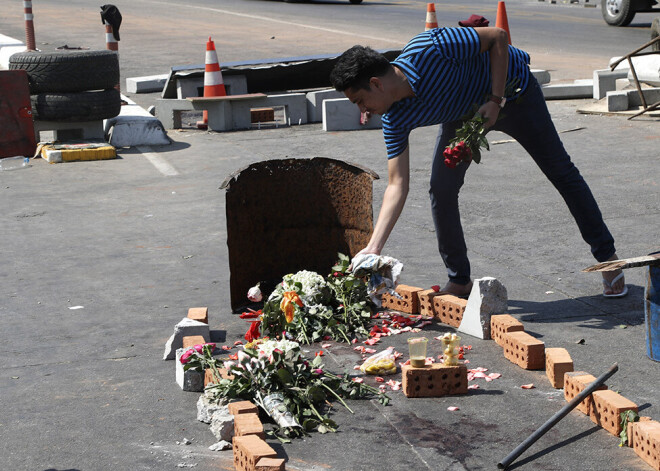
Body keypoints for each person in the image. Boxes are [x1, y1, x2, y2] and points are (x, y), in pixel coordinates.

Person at [329, 26, 627, 298]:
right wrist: (374, 247)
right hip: (463, 118)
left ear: (376, 84)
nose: (363, 112)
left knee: (561, 171)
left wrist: (495, 100)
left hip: (513, 95)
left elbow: (497, 37)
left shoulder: (430, 48)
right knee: (441, 189)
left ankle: (608, 260)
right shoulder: (394, 117)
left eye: (359, 101)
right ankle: (459, 280)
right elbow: (397, 183)